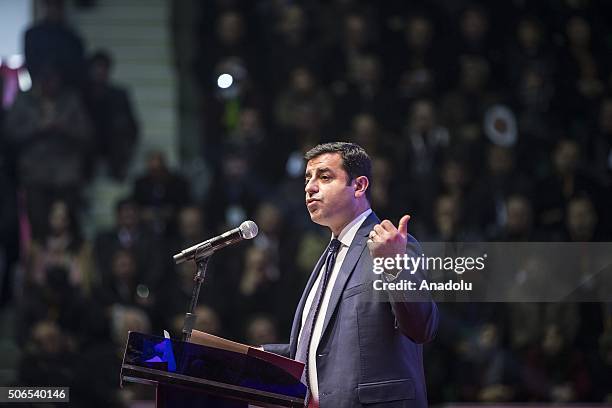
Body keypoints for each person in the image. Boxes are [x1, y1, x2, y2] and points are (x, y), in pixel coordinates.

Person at [263, 142, 438, 407]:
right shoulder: (327, 258)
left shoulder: (393, 245)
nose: (310, 187)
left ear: (359, 186)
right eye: (308, 178)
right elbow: (316, 350)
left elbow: (422, 326)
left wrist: (393, 266)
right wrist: (254, 356)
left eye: (324, 177)